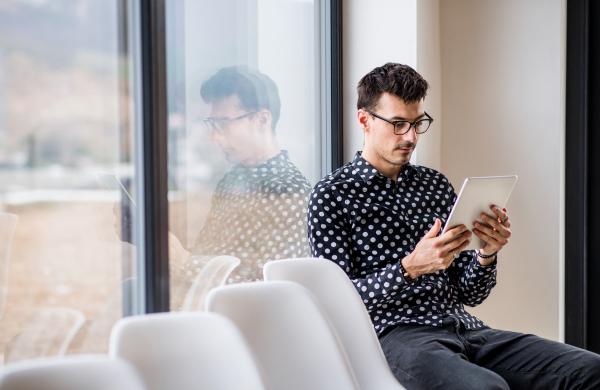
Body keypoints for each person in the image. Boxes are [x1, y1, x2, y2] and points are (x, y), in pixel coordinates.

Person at [307, 62, 600, 389]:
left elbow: (470, 293)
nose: (411, 137)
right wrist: (408, 268)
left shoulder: (434, 185)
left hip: (466, 328)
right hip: (396, 337)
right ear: (365, 119)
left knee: (590, 369)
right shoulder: (332, 195)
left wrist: (486, 254)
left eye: (418, 123)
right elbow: (333, 304)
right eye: (399, 124)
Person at [170, 66, 312, 289]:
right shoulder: (232, 179)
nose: (215, 136)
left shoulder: (288, 190)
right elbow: (208, 254)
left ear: (262, 121)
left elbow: (265, 285)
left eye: (223, 124)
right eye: (212, 124)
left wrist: (182, 261)